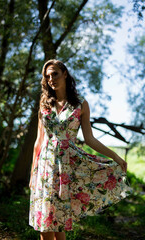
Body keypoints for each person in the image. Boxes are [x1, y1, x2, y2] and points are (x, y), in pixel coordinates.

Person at [29, 59, 131, 240]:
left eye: (55, 74)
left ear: (65, 74)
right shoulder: (44, 103)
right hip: (44, 168)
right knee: (44, 224)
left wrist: (115, 156)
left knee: (58, 222)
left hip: (66, 168)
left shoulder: (80, 104)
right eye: (47, 76)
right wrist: (32, 173)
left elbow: (90, 139)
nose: (51, 79)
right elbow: (39, 140)